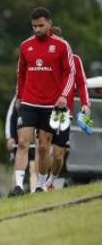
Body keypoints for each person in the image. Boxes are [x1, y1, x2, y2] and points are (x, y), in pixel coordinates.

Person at [9, 7, 75, 196]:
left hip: (51, 105)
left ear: (49, 24)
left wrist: (63, 95)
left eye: (40, 26)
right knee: (22, 143)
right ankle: (19, 186)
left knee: (44, 146)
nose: (37, 29)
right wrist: (19, 96)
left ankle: (40, 185)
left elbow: (70, 72)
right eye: (34, 26)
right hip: (29, 102)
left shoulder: (62, 46)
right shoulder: (25, 46)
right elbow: (20, 74)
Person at [45, 26, 91, 191]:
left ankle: (51, 181)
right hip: (41, 108)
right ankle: (39, 183)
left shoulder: (74, 60)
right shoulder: (42, 57)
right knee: (43, 147)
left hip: (63, 113)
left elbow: (81, 83)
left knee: (57, 154)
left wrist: (85, 104)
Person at [5, 95, 38, 192]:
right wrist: (10, 137)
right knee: (17, 166)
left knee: (33, 166)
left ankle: (34, 191)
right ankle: (16, 189)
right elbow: (11, 119)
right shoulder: (16, 98)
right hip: (19, 138)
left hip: (33, 137)